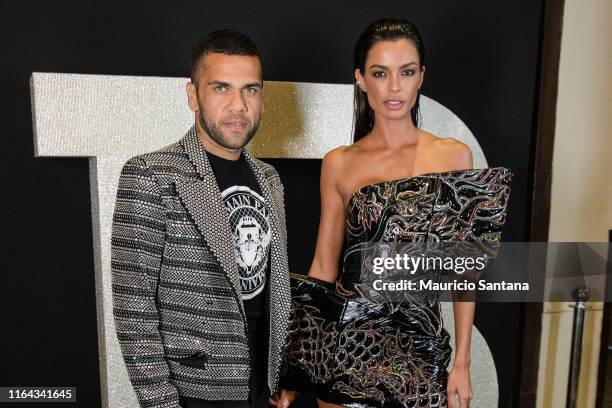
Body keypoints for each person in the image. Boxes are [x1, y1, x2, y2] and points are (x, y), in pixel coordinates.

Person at [281, 19, 512, 408]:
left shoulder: (454, 157)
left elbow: (464, 269)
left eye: (405, 72)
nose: (393, 88)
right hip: (347, 351)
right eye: (379, 73)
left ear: (420, 77)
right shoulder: (340, 164)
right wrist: (299, 365)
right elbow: (323, 266)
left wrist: (462, 363)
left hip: (422, 351)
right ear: (361, 78)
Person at [111, 29, 295, 408]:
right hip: (194, 390)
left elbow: (272, 288)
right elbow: (133, 307)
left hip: (260, 386)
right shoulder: (151, 174)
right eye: (221, 88)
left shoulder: (269, 179)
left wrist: (282, 370)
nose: (238, 105)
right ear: (193, 95)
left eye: (251, 89)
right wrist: (161, 403)